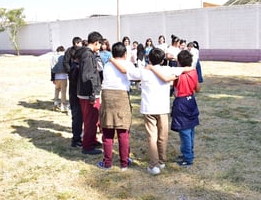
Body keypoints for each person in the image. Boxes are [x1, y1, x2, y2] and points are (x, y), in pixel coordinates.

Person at [118, 48, 185, 175]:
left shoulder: (144, 72)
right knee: (163, 136)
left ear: (149, 59)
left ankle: (154, 165)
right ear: (163, 59)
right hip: (163, 108)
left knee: (152, 137)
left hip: (149, 108)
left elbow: (128, 72)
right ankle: (161, 161)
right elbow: (185, 69)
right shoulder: (167, 69)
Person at [97, 42, 135, 171]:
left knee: (107, 133)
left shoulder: (108, 65)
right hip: (122, 97)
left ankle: (107, 163)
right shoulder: (127, 64)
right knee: (123, 132)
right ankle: (124, 163)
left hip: (107, 97)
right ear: (125, 54)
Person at [170, 50, 201, 166]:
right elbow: (198, 89)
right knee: (191, 130)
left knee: (184, 132)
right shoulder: (193, 72)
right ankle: (189, 153)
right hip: (191, 100)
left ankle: (188, 157)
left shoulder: (178, 75)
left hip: (181, 102)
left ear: (179, 62)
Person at [75, 31, 103, 155]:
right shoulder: (87, 55)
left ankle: (92, 140)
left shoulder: (86, 53)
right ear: (96, 42)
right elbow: (88, 75)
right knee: (90, 120)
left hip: (86, 92)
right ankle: (87, 146)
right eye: (100, 44)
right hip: (88, 94)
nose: (101, 46)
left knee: (93, 119)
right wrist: (92, 93)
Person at [63, 36, 84, 147]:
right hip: (75, 87)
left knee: (79, 115)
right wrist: (71, 72)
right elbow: (65, 64)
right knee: (77, 114)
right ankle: (76, 139)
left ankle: (79, 137)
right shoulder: (70, 52)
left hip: (76, 86)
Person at [51, 45, 69, 113]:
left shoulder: (53, 57)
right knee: (63, 92)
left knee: (57, 90)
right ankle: (63, 105)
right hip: (64, 76)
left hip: (56, 76)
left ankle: (55, 102)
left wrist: (53, 78)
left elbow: (51, 68)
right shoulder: (65, 57)